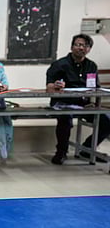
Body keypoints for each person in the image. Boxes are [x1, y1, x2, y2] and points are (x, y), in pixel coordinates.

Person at [46, 33, 110, 165]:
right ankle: (61, 152)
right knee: (65, 118)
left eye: (85, 46)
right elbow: (49, 87)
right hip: (63, 103)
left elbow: (95, 87)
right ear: (72, 47)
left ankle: (87, 149)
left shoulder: (91, 66)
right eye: (78, 45)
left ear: (89, 49)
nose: (81, 48)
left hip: (83, 104)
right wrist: (56, 86)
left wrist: (91, 101)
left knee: (106, 121)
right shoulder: (59, 65)